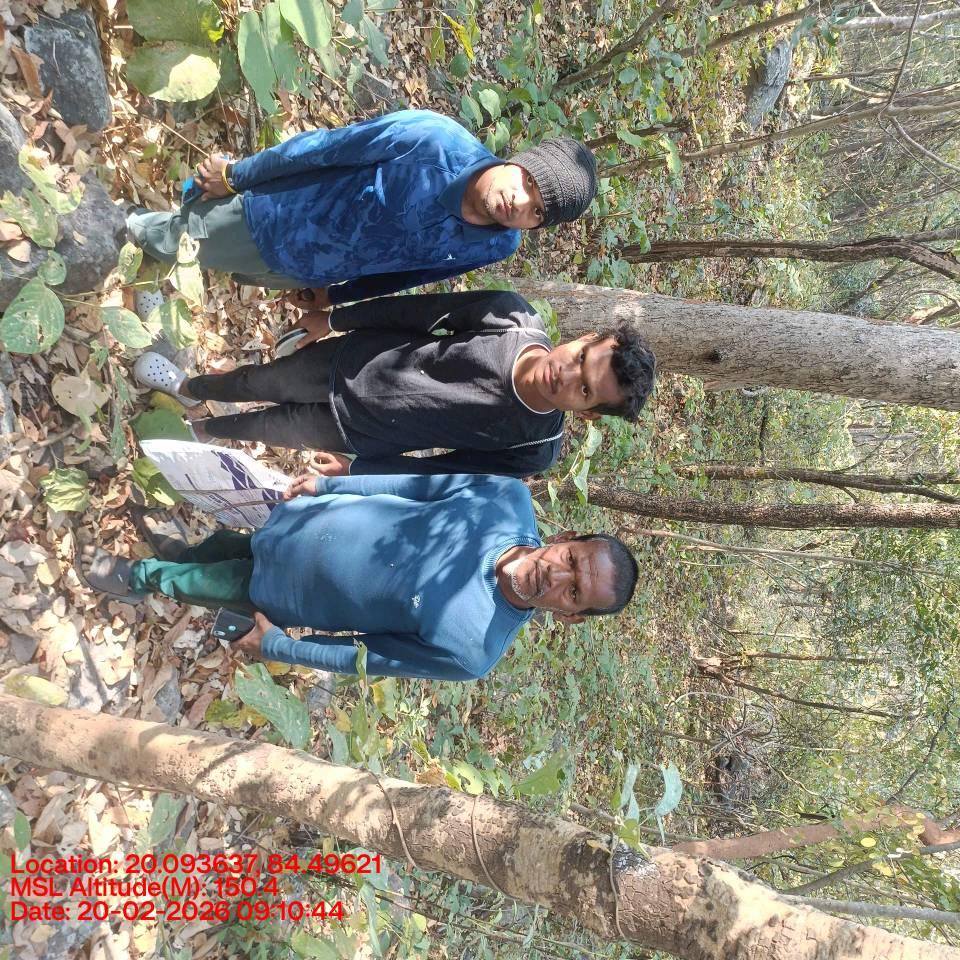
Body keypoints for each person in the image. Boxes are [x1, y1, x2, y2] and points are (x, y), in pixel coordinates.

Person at [79, 473, 639, 681]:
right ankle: (182, 552)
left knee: (206, 583)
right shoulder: (505, 499)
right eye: (572, 560)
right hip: (302, 524)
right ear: (568, 538)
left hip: (289, 595)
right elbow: (416, 486)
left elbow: (366, 658)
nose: (557, 576)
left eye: (574, 591)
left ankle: (137, 576)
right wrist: (332, 485)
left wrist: (280, 647)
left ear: (571, 616)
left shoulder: (476, 649)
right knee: (229, 546)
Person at [126, 109, 598, 328]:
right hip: (272, 219)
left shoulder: (498, 243)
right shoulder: (433, 140)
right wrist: (237, 176)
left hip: (308, 270)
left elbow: (413, 273)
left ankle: (142, 271)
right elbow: (324, 148)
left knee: (210, 264)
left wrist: (335, 294)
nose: (520, 203)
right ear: (520, 160)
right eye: (529, 182)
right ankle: (118, 228)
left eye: (538, 212)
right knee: (179, 240)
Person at [131, 290, 656, 478]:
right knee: (256, 381)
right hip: (350, 362)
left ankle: (203, 434)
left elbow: (443, 470)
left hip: (359, 434)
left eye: (584, 390)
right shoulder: (511, 318)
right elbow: (418, 312)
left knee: (267, 427)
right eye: (580, 358)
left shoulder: (535, 447)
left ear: (588, 412)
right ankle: (191, 387)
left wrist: (359, 471)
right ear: (584, 338)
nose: (565, 374)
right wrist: (334, 319)